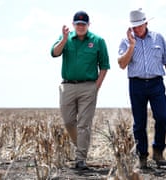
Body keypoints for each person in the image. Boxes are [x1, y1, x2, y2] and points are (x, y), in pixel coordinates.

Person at [50, 10, 110, 170]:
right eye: (78, 24)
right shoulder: (65, 39)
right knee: (69, 122)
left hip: (88, 87)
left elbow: (104, 66)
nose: (81, 27)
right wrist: (63, 39)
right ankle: (81, 146)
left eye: (84, 24)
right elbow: (54, 53)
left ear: (88, 25)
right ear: (73, 25)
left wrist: (96, 87)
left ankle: (80, 159)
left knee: (84, 124)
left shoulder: (98, 41)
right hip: (67, 86)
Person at [117, 8, 166, 169]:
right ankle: (142, 155)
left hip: (156, 83)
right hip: (136, 84)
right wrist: (132, 46)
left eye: (140, 25)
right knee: (139, 122)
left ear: (146, 23)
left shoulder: (158, 38)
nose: (137, 29)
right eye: (134, 26)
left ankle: (158, 150)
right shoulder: (126, 40)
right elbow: (121, 64)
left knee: (163, 117)